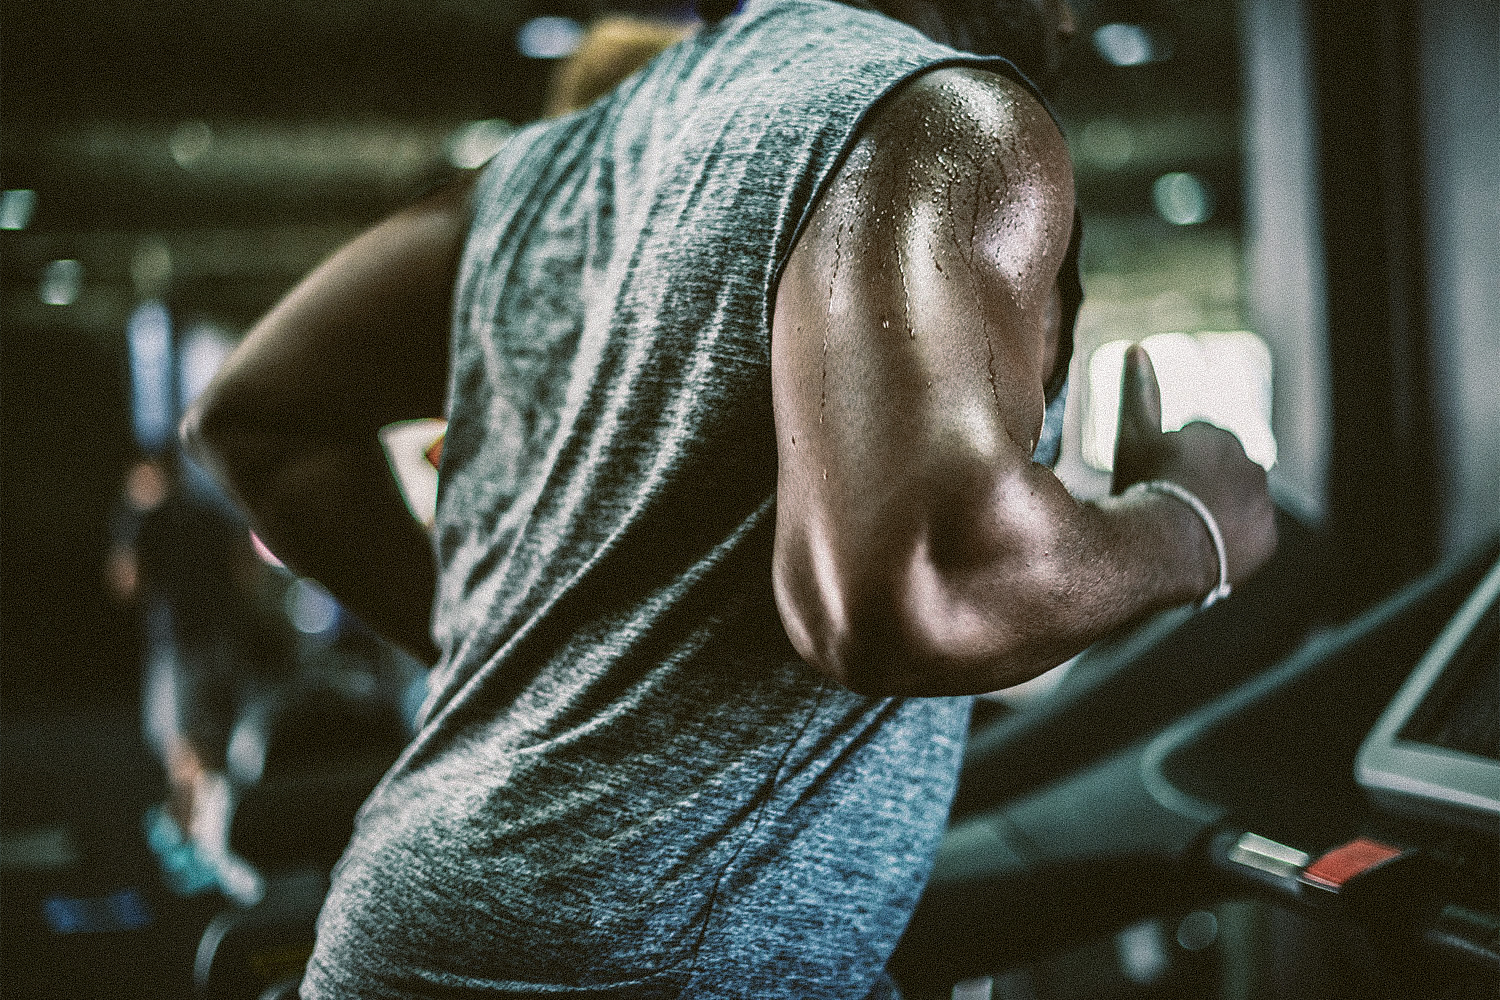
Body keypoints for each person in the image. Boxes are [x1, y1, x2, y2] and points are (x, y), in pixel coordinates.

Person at [182, 0, 1276, 995]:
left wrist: (544, 674)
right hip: (638, 957)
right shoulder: (941, 115)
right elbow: (923, 582)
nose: (1077, 18)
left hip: (407, 929)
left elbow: (256, 421)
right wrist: (1195, 524)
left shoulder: (544, 170)